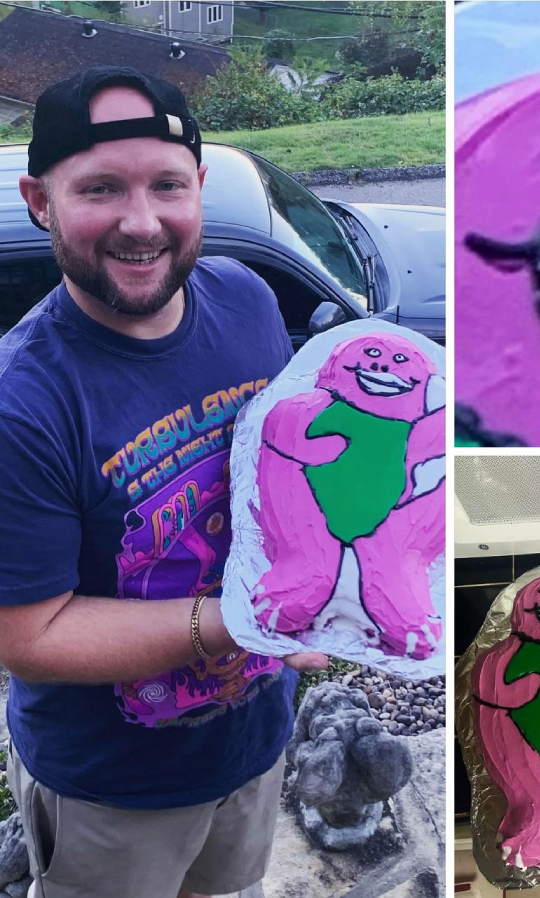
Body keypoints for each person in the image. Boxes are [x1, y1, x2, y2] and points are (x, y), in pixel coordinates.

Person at [0, 66, 327, 898]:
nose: (141, 223)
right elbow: (28, 635)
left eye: (167, 186)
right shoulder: (22, 403)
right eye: (101, 188)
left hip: (252, 742)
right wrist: (244, 620)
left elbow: (284, 481)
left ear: (200, 189)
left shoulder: (247, 300)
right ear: (41, 200)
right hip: (112, 792)